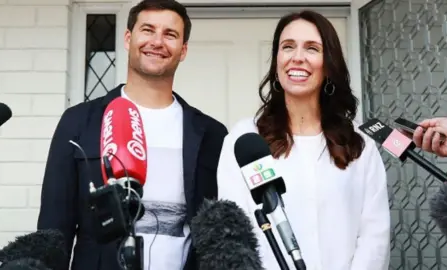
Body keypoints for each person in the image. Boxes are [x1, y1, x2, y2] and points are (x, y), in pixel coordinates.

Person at [37, 1, 228, 269]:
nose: (157, 42)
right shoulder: (79, 122)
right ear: (128, 38)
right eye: (148, 30)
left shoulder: (212, 134)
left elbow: (217, 235)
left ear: (183, 50)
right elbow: (53, 229)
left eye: (170, 34)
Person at [216, 10, 391, 270]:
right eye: (288, 47)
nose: (297, 58)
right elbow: (234, 234)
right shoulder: (245, 139)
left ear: (329, 63)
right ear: (277, 60)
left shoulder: (359, 143)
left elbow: (374, 235)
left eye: (312, 48)